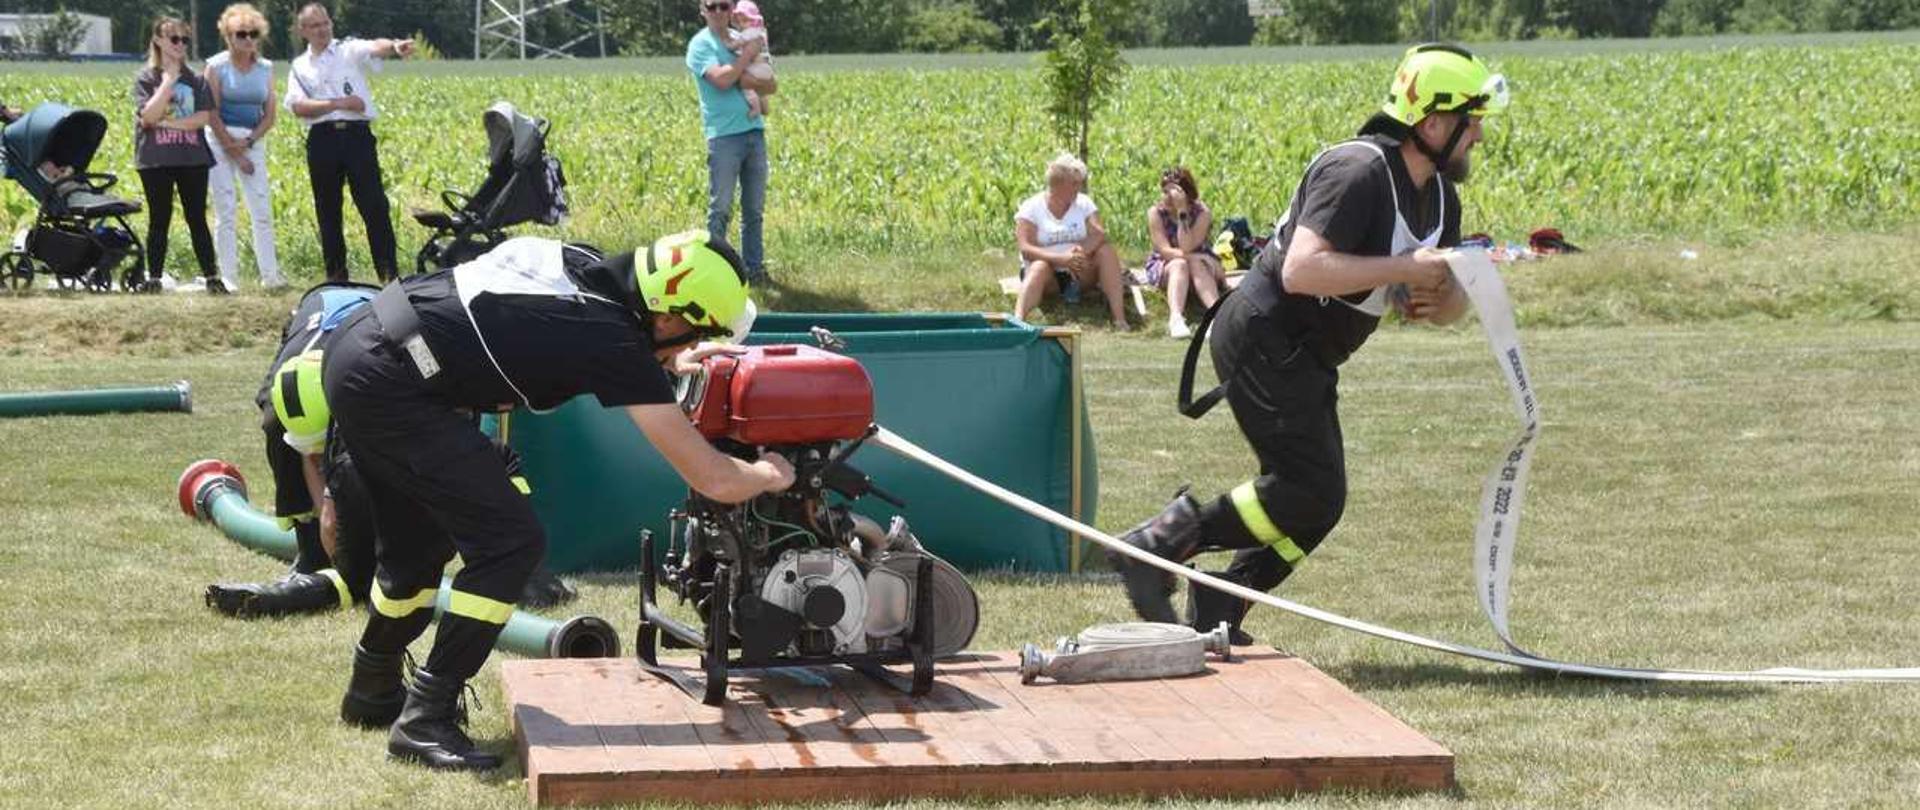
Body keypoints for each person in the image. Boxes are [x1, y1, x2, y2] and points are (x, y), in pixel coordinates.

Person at [320, 231, 793, 770]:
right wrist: (767, 473)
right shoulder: (611, 337)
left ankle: (373, 690)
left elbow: (551, 327)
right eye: (693, 336)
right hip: (397, 384)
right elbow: (712, 477)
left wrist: (662, 362)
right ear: (667, 318)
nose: (688, 350)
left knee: (416, 551)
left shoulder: (591, 267)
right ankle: (426, 716)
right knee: (509, 544)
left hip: (362, 348)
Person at [1111, 44, 1509, 643]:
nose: (1478, 134)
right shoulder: (1357, 173)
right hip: (1263, 334)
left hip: (1307, 355)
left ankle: (1222, 598)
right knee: (1308, 490)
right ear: (1433, 122)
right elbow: (1302, 270)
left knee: (1319, 503)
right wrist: (1404, 268)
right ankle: (1159, 543)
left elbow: (1435, 299)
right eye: (1471, 119)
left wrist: (1453, 292)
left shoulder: (1441, 200)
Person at [205, 280, 382, 618]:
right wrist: (322, 527)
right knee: (277, 431)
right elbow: (307, 454)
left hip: (369, 312)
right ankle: (310, 551)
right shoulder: (280, 401)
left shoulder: (368, 380)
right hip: (314, 315)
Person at [283, 2, 412, 283]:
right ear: (303, 31)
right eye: (315, 25)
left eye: (325, 23)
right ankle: (337, 279)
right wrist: (339, 103)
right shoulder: (299, 66)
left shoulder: (347, 50)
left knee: (374, 206)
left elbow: (374, 46)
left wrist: (394, 46)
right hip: (322, 140)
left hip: (357, 138)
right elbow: (298, 106)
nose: (322, 29)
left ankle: (389, 276)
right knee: (328, 211)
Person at [687, 0, 775, 282]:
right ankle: (714, 268)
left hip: (754, 131)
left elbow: (771, 84)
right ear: (702, 10)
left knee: (754, 209)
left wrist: (741, 70)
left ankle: (754, 268)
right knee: (720, 207)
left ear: (732, 10)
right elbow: (721, 81)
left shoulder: (740, 38)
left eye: (724, 6)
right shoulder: (700, 45)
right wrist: (746, 60)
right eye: (711, 7)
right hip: (723, 136)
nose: (718, 12)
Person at [134, 16, 222, 294]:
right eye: (174, 39)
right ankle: (154, 277)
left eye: (184, 39)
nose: (180, 44)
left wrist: (166, 123)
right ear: (158, 41)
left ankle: (211, 276)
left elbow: (203, 118)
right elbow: (147, 115)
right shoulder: (146, 78)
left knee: (197, 218)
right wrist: (169, 80)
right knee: (159, 219)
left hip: (192, 158)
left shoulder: (196, 79)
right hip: (155, 159)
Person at [204, 3, 286, 291]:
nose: (248, 39)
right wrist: (234, 150)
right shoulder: (215, 67)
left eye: (253, 34)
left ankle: (270, 275)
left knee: (261, 210)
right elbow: (211, 112)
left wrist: (248, 143)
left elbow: (269, 115)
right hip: (219, 142)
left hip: (252, 140)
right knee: (226, 210)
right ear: (228, 36)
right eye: (241, 34)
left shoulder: (266, 68)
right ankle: (229, 277)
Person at [1013, 152, 1130, 330]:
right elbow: (1025, 248)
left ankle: (1119, 319)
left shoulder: (1084, 203)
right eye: (1074, 183)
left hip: (1079, 270)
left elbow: (1098, 234)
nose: (1079, 187)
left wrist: (1080, 251)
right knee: (1039, 267)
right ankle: (1018, 320)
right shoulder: (1031, 207)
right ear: (1058, 184)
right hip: (1047, 273)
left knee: (1106, 251)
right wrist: (1060, 259)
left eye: (1080, 182)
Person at [1144, 166, 1226, 339]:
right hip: (1168, 264)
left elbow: (1188, 245)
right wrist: (1192, 257)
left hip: (1203, 263)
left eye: (1172, 192)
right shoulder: (1155, 213)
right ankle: (1176, 318)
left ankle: (1216, 317)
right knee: (1180, 264)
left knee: (1196, 264)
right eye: (1164, 191)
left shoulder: (1202, 213)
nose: (1167, 197)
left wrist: (1182, 212)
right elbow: (1165, 251)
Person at [730, 0, 775, 118]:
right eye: (739, 21)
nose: (742, 24)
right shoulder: (761, 32)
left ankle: (755, 108)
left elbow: (738, 44)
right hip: (766, 67)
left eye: (745, 21)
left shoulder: (751, 32)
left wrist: (730, 46)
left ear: (753, 20)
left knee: (746, 85)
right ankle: (763, 102)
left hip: (758, 67)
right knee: (758, 88)